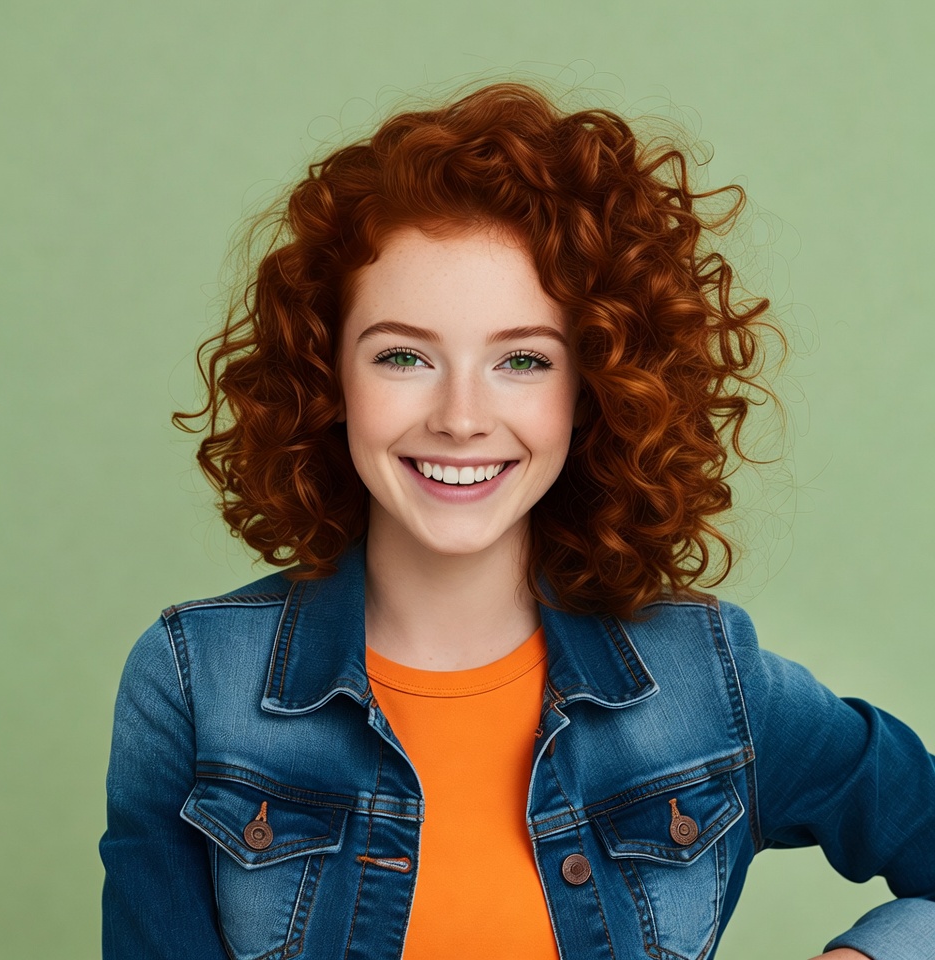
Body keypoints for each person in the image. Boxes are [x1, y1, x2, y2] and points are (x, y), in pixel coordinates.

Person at [99, 82, 935, 960]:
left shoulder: (710, 680)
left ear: (591, 389)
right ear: (327, 377)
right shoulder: (195, 684)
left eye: (523, 359)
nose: (461, 416)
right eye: (402, 355)